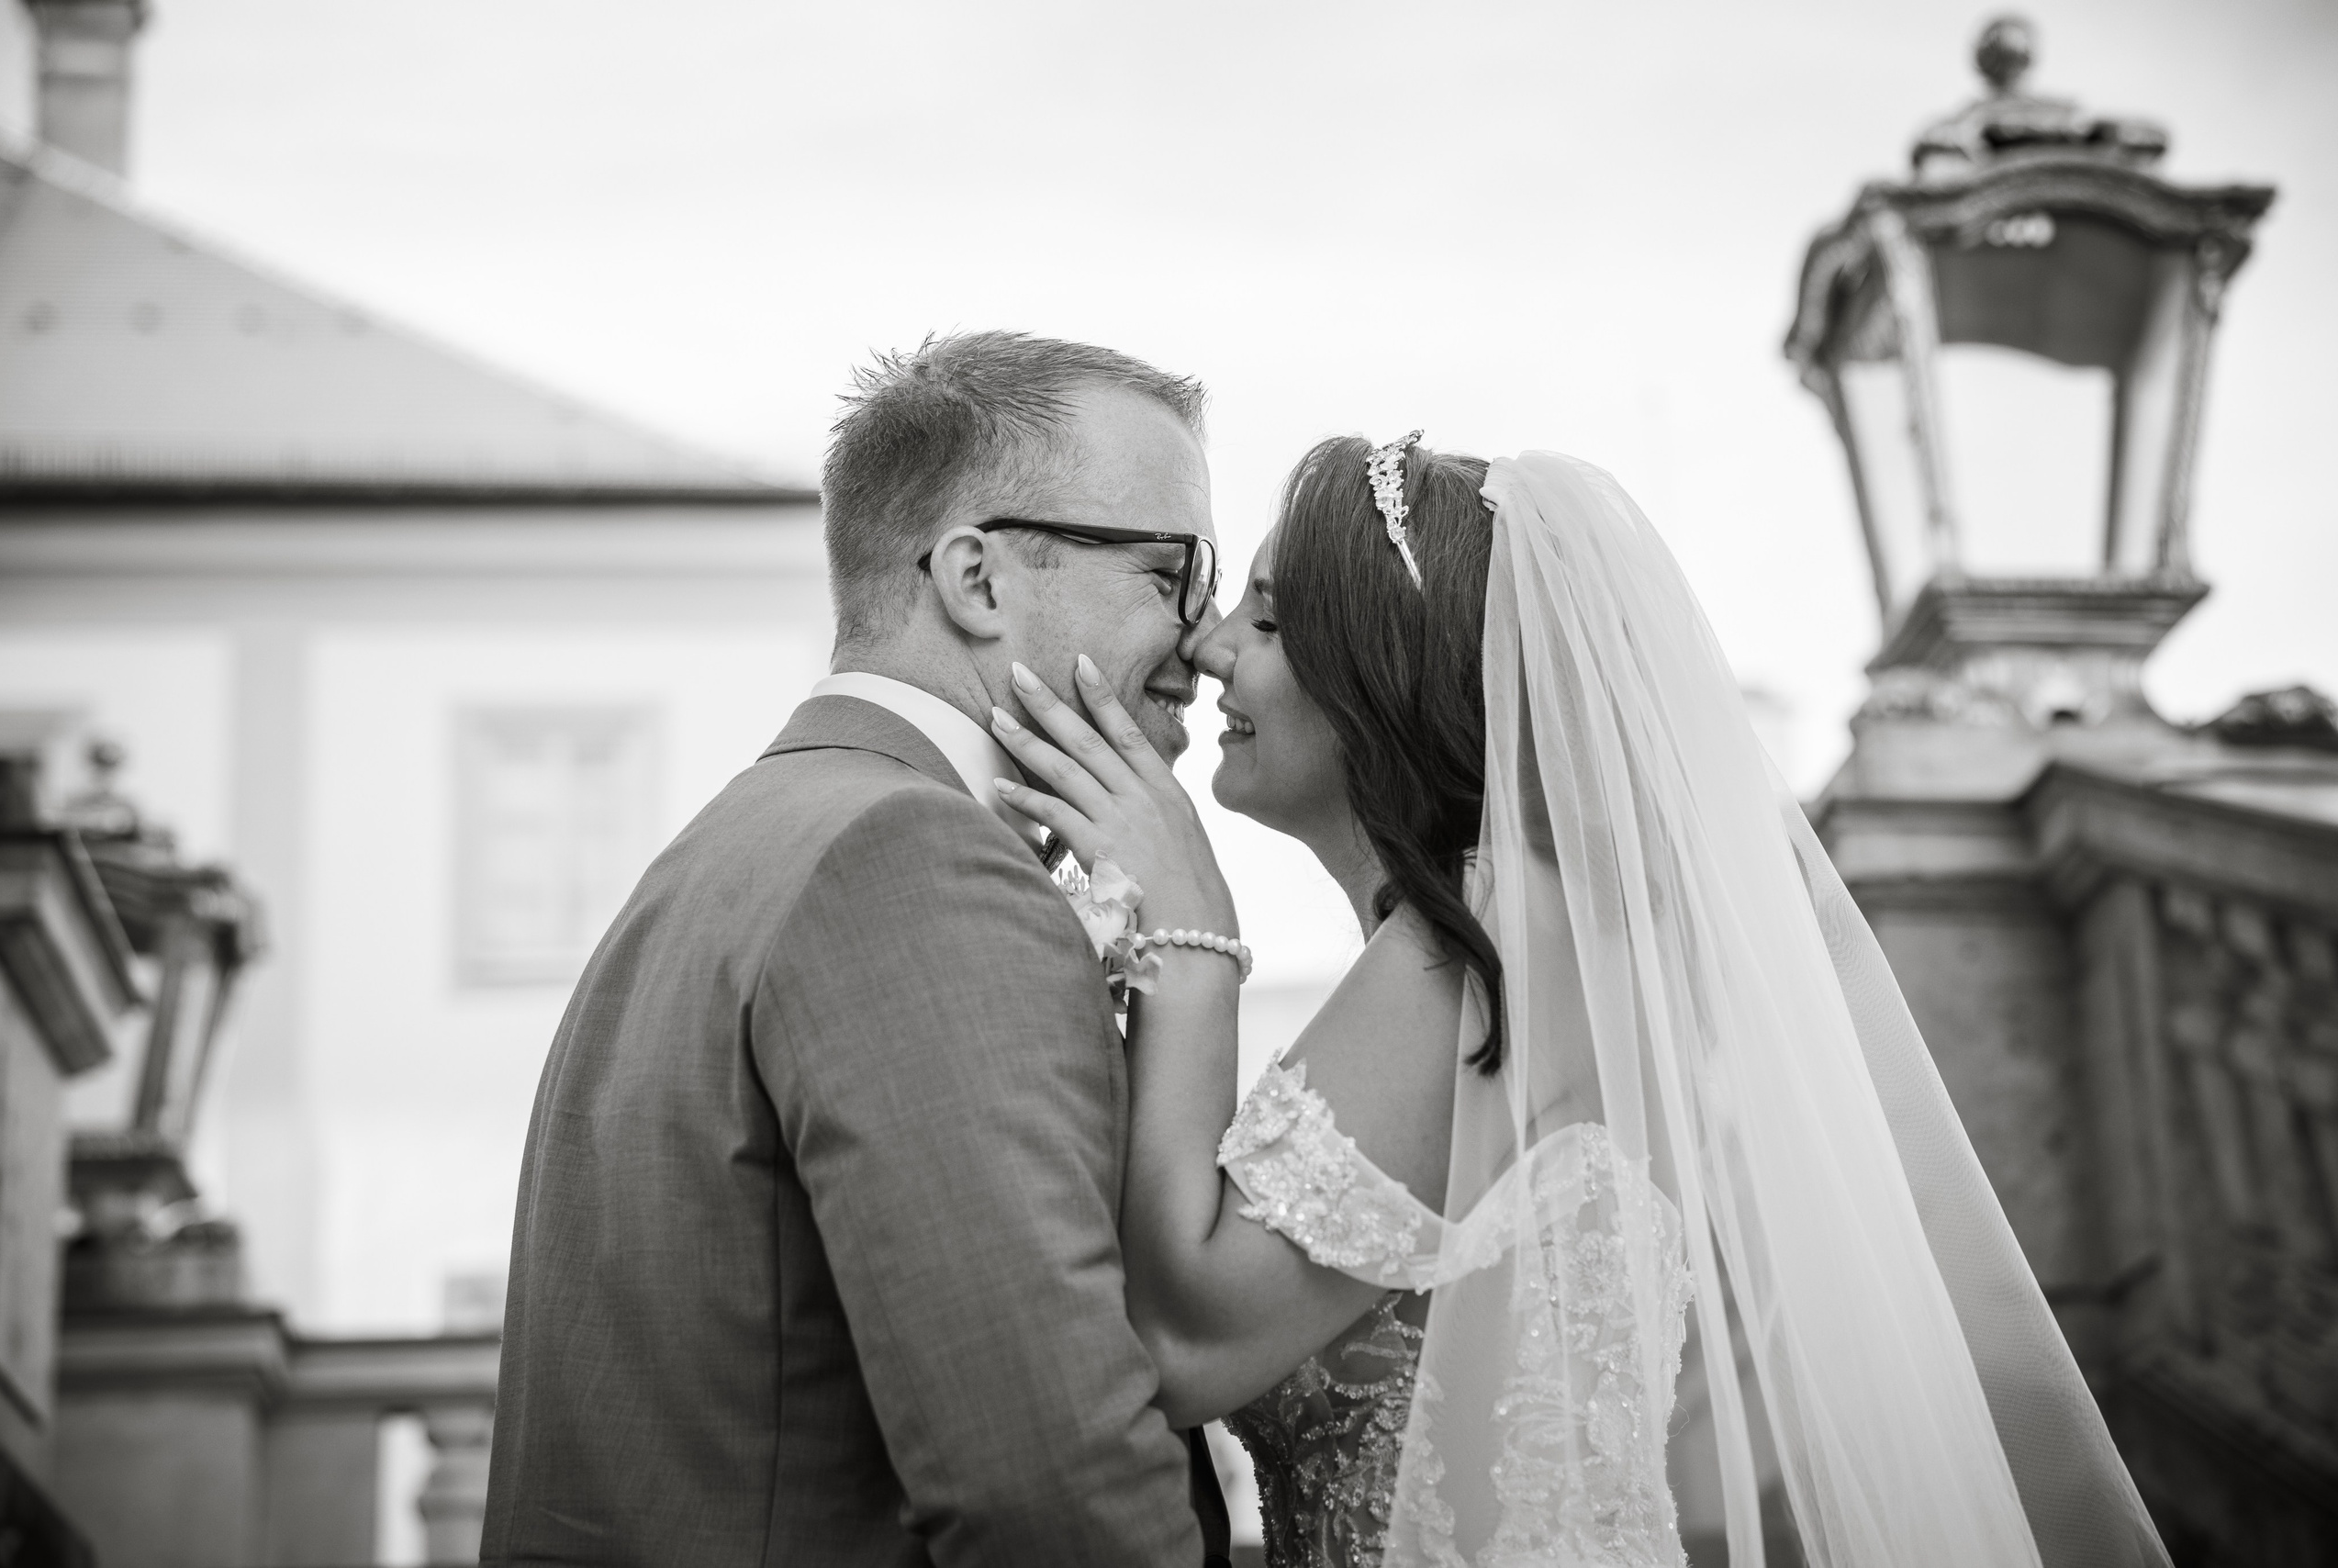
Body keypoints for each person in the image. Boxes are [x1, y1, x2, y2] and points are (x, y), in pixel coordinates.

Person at [990, 434, 2174, 1568]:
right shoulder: (1502, 942)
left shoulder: (1502, 939)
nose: (1208, 647)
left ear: (1386, 672)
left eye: (1274, 615)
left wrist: (1191, 940)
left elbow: (1191, 1342)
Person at [482, 332, 1236, 1567]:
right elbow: (1050, 1489)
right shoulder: (910, 866)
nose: (1204, 640)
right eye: (1171, 573)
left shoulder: (738, 848)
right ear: (978, 579)